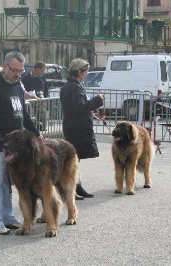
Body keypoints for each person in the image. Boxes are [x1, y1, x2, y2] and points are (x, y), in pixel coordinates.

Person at [0, 51, 42, 235]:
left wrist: (36, 133)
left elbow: (23, 114)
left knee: (8, 183)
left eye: (21, 71)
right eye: (15, 70)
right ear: (5, 66)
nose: (18, 74)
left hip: (15, 146)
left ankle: (7, 217)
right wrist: (1, 143)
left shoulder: (17, 86)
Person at [60, 58, 104, 200]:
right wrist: (97, 100)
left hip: (71, 125)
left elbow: (75, 107)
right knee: (73, 161)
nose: (86, 75)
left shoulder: (68, 86)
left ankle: (76, 187)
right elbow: (80, 107)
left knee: (74, 160)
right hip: (76, 128)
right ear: (79, 72)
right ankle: (71, 189)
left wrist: (88, 110)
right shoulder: (75, 87)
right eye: (85, 72)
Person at [21, 61, 48, 130]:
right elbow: (23, 90)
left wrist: (45, 100)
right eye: (42, 70)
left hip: (40, 101)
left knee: (42, 113)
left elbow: (45, 89)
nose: (43, 72)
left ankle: (42, 128)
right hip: (30, 101)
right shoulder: (26, 78)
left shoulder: (43, 78)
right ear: (38, 69)